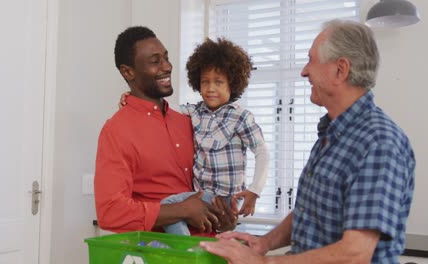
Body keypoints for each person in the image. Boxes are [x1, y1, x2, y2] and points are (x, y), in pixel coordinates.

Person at [199, 19, 416, 263]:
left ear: (340, 70)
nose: (304, 71)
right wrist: (264, 243)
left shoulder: (379, 144)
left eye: (311, 60)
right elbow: (310, 212)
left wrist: (263, 262)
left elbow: (355, 254)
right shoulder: (331, 134)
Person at [94, 26, 236, 236]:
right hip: (160, 253)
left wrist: (223, 218)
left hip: (206, 251)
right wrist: (182, 210)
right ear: (128, 71)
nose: (167, 66)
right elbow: (111, 212)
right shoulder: (116, 131)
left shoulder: (188, 121)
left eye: (166, 58)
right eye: (155, 61)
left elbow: (206, 189)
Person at [160, 38, 269, 235]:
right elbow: (163, 107)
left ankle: (186, 250)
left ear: (232, 84)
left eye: (218, 82)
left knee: (169, 206)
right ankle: (190, 247)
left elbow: (261, 151)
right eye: (205, 82)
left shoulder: (240, 117)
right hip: (203, 195)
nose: (210, 88)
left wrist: (255, 190)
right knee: (176, 210)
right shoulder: (196, 112)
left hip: (225, 198)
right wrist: (131, 98)